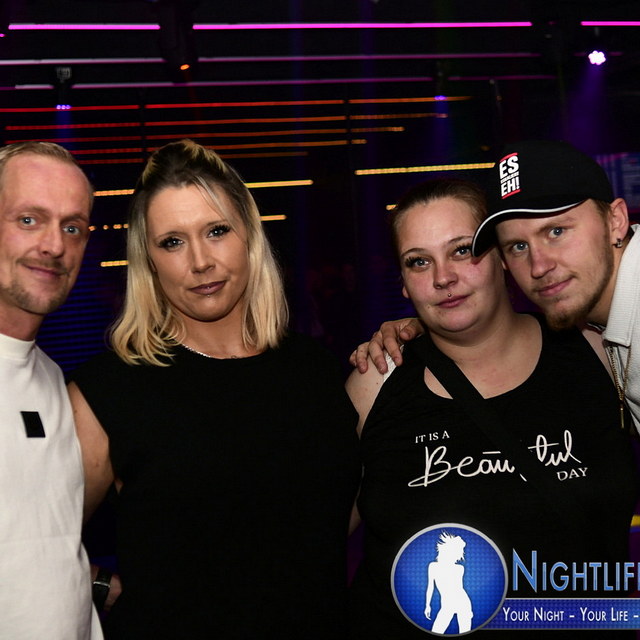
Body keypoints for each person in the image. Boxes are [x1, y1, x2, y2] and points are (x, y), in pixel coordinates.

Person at [68, 139, 360, 639]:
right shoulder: (109, 391)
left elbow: (335, 516)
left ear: (249, 236)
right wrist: (94, 585)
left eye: (217, 231)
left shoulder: (313, 369)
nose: (200, 261)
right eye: (172, 242)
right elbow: (27, 537)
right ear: (149, 260)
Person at [345, 178, 637, 638]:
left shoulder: (599, 352)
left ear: (502, 256)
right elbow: (307, 540)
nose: (443, 277)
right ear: (402, 282)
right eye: (419, 261)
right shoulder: (376, 380)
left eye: (462, 250)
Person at [355, 140, 640, 434]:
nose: (539, 266)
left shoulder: (591, 345)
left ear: (615, 221)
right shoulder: (602, 328)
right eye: (518, 246)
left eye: (557, 231)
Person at [0, 141, 103, 638]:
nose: (55, 245)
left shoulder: (53, 381)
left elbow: (38, 542)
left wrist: (94, 583)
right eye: (29, 219)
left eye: (72, 227)